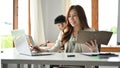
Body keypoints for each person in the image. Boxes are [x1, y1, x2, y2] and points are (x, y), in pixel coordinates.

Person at [31, 5, 98, 68]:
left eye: (74, 15)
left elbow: (96, 58)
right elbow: (53, 50)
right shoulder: (64, 32)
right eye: (69, 16)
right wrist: (41, 50)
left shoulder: (90, 32)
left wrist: (94, 51)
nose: (71, 18)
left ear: (81, 16)